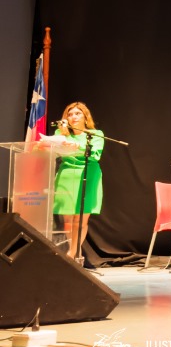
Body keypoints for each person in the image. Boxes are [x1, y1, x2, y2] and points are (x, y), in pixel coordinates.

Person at [44, 102, 104, 269]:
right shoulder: (60, 133)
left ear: (85, 117)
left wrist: (79, 145)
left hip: (88, 174)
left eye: (78, 113)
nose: (73, 117)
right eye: (70, 114)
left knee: (80, 218)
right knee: (68, 219)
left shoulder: (95, 134)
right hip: (66, 174)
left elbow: (96, 155)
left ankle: (73, 253)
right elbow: (54, 151)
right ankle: (71, 252)